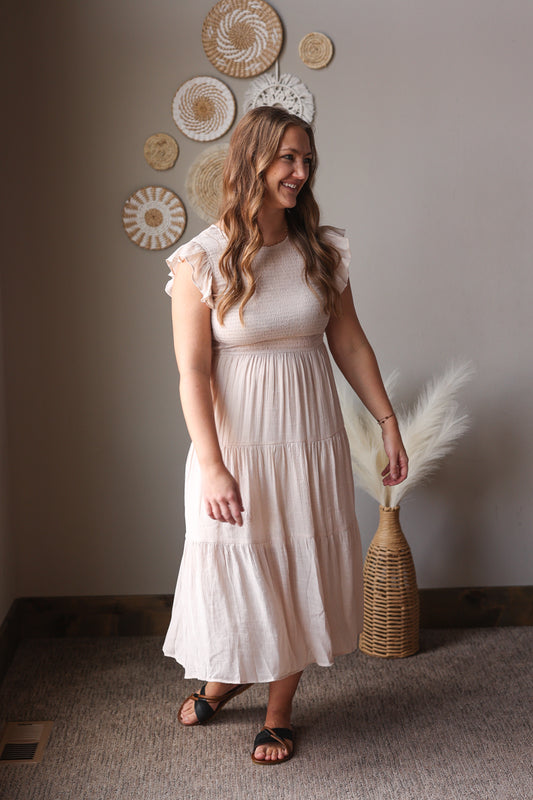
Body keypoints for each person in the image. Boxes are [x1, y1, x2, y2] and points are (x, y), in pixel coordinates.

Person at [163, 106, 408, 765]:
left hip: (309, 438)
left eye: (308, 161)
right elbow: (191, 370)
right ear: (253, 160)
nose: (300, 173)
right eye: (287, 159)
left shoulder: (318, 249)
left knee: (298, 558)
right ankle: (227, 672)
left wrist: (387, 420)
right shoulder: (201, 260)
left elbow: (348, 341)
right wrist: (211, 465)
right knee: (244, 564)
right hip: (236, 443)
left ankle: (277, 710)